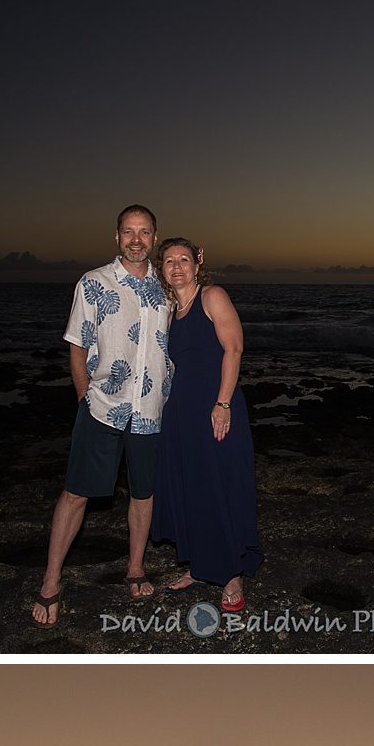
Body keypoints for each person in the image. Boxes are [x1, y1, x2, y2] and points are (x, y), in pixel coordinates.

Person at [33, 204, 173, 626]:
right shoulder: (92, 283)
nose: (136, 239)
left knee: (143, 494)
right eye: (129, 232)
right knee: (76, 493)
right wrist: (83, 399)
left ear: (153, 237)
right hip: (102, 407)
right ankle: (50, 582)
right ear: (117, 237)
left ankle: (135, 568)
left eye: (144, 232)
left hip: (151, 409)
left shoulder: (166, 287)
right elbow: (77, 344)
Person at [153, 239, 261, 613]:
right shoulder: (169, 312)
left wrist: (223, 402)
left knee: (219, 483)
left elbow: (234, 349)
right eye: (169, 261)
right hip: (181, 410)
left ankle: (231, 575)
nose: (177, 266)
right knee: (191, 485)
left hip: (216, 405)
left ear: (198, 263)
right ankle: (200, 567)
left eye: (183, 259)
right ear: (161, 269)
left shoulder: (212, 296)